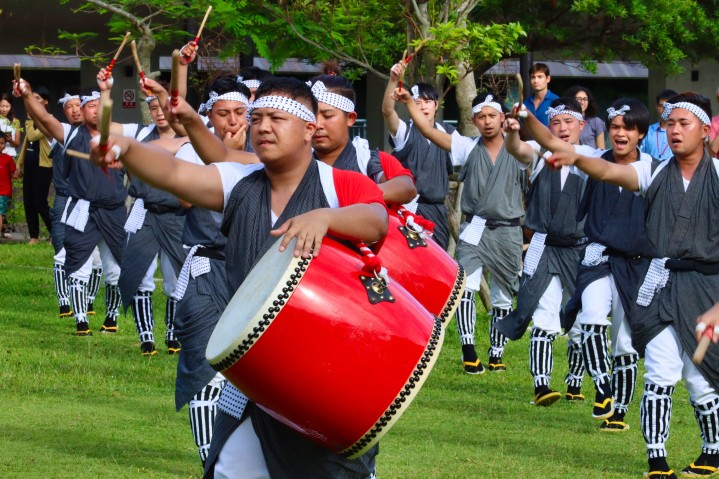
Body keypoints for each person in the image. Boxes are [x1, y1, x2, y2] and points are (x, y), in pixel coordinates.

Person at [90, 76, 388, 479]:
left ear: (309, 129)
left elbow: (375, 219)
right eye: (258, 117)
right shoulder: (238, 184)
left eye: (277, 118)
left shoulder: (339, 185)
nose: (263, 127)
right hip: (254, 380)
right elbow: (175, 173)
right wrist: (125, 148)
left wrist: (327, 217)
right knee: (230, 470)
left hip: (321, 380)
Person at [548, 92, 719, 479]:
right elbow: (608, 172)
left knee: (700, 379)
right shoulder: (654, 172)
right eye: (669, 124)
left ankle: (712, 451)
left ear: (705, 131)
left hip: (707, 288)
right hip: (658, 282)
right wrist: (576, 157)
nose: (674, 130)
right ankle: (657, 459)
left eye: (683, 124)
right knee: (660, 370)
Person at [394, 88, 527, 374]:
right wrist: (408, 103)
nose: (488, 121)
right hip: (475, 225)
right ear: (474, 121)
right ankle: (468, 349)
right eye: (481, 117)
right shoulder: (468, 147)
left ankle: (496, 351)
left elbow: (530, 151)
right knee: (465, 287)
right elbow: (430, 132)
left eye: (493, 115)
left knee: (504, 293)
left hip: (508, 230)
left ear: (503, 118)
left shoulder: (517, 150)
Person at [556, 98, 652, 431]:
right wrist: (524, 118)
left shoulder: (653, 168)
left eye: (628, 127)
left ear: (640, 132)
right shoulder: (595, 157)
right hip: (597, 255)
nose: (620, 133)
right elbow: (552, 142)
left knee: (625, 342)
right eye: (614, 126)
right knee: (592, 319)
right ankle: (602, 389)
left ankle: (620, 412)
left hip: (636, 264)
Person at [495, 98, 591, 406]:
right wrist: (512, 131)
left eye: (569, 122)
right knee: (542, 314)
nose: (562, 129)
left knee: (581, 319)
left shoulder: (592, 160)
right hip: (544, 245)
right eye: (556, 123)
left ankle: (575, 382)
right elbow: (517, 149)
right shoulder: (540, 157)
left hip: (580, 249)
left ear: (582, 125)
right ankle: (541, 385)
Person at [14, 79, 125, 337]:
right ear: (82, 109)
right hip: (81, 208)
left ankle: (111, 317)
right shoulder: (71, 133)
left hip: (114, 210)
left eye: (100, 106)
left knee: (115, 267)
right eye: (89, 106)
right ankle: (81, 319)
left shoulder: (121, 134)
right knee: (77, 263)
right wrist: (28, 93)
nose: (94, 111)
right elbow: (42, 116)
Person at [309, 74, 416, 206]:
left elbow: (407, 187)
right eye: (311, 115)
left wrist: (357, 193)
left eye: (328, 115)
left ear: (350, 118)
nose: (317, 124)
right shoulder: (296, 165)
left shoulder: (369, 160)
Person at [382, 61, 454, 250]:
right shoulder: (405, 132)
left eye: (427, 101)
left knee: (440, 267)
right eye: (417, 102)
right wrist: (393, 80)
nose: (423, 107)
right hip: (410, 209)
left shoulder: (448, 134)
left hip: (438, 210)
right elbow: (388, 111)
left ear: (436, 105)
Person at [15, 86, 53, 244]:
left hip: (43, 165)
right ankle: (34, 236)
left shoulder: (48, 119)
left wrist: (30, 120)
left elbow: (32, 135)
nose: (35, 101)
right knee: (28, 201)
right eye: (34, 98)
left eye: (39, 98)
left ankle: (54, 233)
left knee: (40, 201)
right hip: (30, 164)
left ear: (46, 102)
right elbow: (26, 141)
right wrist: (19, 163)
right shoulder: (31, 120)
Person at [640, 89, 677, 161]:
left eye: (668, 106)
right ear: (656, 107)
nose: (664, 109)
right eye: (661, 106)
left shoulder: (681, 132)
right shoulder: (647, 131)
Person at [0, 135, 15, 239]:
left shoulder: (8, 159)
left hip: (3, 191)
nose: (0, 145)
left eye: (2, 143)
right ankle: (3, 231)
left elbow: (14, 174)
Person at [0, 93, 21, 158]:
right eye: (1, 106)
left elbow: (17, 144)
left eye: (7, 106)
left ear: (11, 106)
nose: (4, 109)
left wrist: (10, 140)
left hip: (10, 155)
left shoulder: (15, 121)